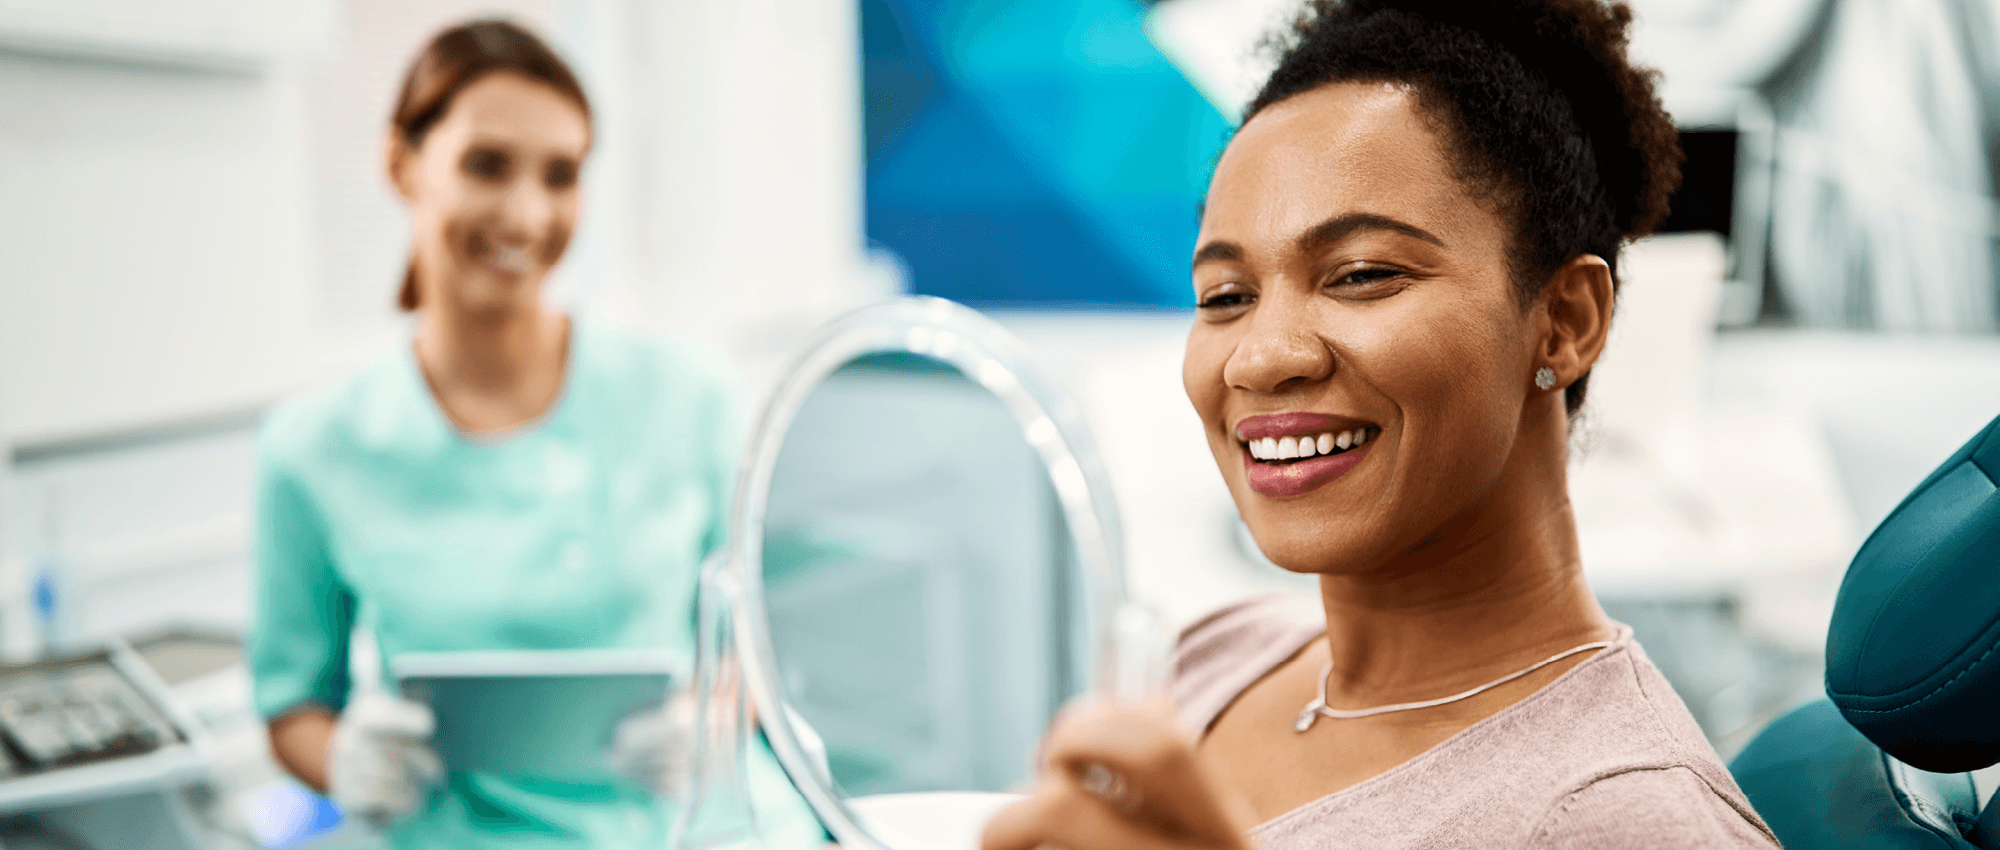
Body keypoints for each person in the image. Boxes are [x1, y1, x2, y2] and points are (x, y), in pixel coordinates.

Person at [982, 1, 1781, 847]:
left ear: (1566, 320)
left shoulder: (1628, 818)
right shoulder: (1212, 661)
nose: (1260, 358)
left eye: (1360, 275)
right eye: (1226, 297)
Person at [248, 19, 817, 849]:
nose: (526, 213)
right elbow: (293, 706)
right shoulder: (313, 448)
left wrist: (709, 722)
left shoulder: (687, 397)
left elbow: (753, 657)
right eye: (487, 165)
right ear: (400, 164)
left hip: (688, 828)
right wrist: (342, 760)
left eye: (561, 175)